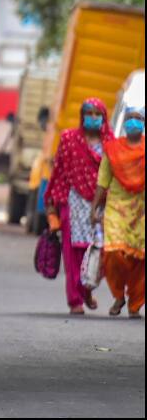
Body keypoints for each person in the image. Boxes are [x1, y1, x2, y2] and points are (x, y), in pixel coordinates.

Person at [44, 98, 114, 315]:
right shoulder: (69, 139)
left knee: (99, 251)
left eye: (97, 113)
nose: (93, 117)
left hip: (102, 203)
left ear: (103, 117)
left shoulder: (111, 144)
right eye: (88, 113)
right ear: (82, 116)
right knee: (73, 251)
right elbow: (60, 172)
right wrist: (53, 204)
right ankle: (75, 299)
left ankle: (86, 291)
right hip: (72, 202)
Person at [91, 106, 145, 319]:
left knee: (140, 260)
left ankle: (135, 303)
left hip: (141, 211)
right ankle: (118, 294)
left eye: (138, 118)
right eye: (130, 118)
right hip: (116, 208)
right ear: (124, 122)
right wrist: (95, 207)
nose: (133, 122)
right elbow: (102, 181)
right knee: (113, 253)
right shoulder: (112, 150)